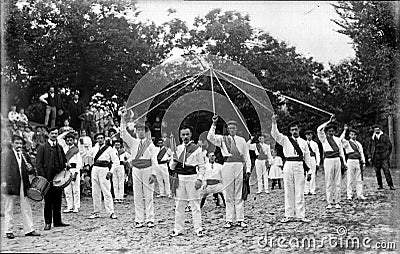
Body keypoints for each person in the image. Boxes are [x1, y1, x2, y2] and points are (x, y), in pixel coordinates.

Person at [207, 116, 251, 228]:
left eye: (233, 128)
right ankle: (229, 219)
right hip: (227, 166)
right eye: (229, 128)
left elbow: (247, 156)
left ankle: (240, 219)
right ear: (227, 129)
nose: (231, 130)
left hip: (239, 166)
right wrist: (214, 124)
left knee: (239, 193)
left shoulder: (241, 140)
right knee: (228, 192)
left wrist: (248, 170)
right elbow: (210, 137)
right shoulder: (222, 139)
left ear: (236, 129)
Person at [271, 114, 312, 223]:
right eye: (292, 130)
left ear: (299, 130)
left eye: (296, 129)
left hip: (299, 165)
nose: (294, 131)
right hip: (288, 164)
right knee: (289, 190)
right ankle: (288, 215)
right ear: (290, 131)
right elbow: (275, 134)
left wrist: (310, 171)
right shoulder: (285, 140)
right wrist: (274, 122)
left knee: (300, 190)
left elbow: (307, 157)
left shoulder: (303, 142)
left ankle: (300, 215)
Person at [1, 135, 41, 239]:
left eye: (20, 143)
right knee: (9, 207)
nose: (19, 145)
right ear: (13, 144)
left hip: (23, 183)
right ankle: (8, 230)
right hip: (11, 182)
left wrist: (30, 168)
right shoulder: (6, 155)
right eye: (17, 143)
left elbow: (31, 171)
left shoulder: (25, 155)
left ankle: (29, 229)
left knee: (26, 206)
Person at [170, 125, 206, 237]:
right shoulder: (177, 149)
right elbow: (171, 167)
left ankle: (198, 228)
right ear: (180, 136)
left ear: (191, 135)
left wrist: (199, 179)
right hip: (180, 178)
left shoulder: (197, 149)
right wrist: (174, 162)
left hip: (192, 177)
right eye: (183, 135)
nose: (185, 136)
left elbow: (202, 166)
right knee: (179, 205)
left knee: (195, 204)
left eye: (187, 134)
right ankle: (178, 228)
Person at [121, 119, 158, 228]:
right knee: (137, 195)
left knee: (148, 195)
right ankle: (139, 219)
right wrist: (123, 118)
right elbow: (123, 133)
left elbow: (154, 160)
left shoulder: (150, 145)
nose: (140, 132)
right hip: (136, 169)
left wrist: (154, 173)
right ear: (136, 131)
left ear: (146, 132)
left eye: (142, 130)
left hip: (148, 168)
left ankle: (150, 219)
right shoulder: (133, 142)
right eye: (138, 130)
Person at [36, 127, 69, 230]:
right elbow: (39, 165)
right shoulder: (42, 147)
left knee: (58, 200)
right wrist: (43, 178)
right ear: (48, 134)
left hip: (58, 179)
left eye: (56, 133)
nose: (54, 135)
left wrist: (65, 167)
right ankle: (48, 222)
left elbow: (64, 160)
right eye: (52, 133)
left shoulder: (59, 147)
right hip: (47, 178)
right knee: (48, 201)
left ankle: (58, 221)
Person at [317, 116, 346, 209]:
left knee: (337, 182)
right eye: (329, 131)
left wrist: (344, 163)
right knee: (329, 181)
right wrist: (329, 121)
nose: (331, 133)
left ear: (334, 132)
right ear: (326, 132)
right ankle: (329, 202)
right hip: (328, 160)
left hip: (337, 160)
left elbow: (341, 152)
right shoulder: (324, 139)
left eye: (332, 131)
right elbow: (319, 129)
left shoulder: (337, 140)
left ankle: (337, 201)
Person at [88, 132, 119, 219]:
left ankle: (111, 212)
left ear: (104, 139)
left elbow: (116, 161)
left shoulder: (109, 149)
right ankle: (96, 211)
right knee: (95, 191)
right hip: (95, 169)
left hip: (104, 169)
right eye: (98, 138)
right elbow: (86, 155)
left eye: (101, 138)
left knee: (106, 191)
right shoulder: (94, 149)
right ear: (96, 140)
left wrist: (111, 171)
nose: (100, 140)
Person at [57, 131, 83, 213]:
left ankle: (76, 206)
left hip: (74, 169)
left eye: (70, 140)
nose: (69, 142)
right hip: (66, 170)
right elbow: (58, 138)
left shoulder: (76, 150)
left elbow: (79, 163)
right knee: (67, 190)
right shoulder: (64, 148)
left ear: (73, 140)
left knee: (75, 189)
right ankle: (69, 206)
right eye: (67, 140)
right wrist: (67, 132)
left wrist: (76, 173)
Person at [340, 125, 366, 200]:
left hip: (358, 161)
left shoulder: (358, 144)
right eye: (351, 134)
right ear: (349, 135)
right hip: (350, 161)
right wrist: (344, 130)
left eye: (354, 135)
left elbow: (361, 153)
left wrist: (363, 162)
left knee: (359, 179)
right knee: (350, 178)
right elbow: (341, 139)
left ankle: (360, 194)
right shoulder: (347, 143)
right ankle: (349, 195)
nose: (353, 136)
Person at [367, 124, 395, 190]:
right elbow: (369, 148)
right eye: (375, 129)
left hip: (384, 158)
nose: (377, 130)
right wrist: (369, 156)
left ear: (380, 129)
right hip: (376, 157)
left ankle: (391, 185)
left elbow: (389, 146)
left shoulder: (385, 136)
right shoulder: (372, 138)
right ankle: (380, 185)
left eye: (378, 128)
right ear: (373, 130)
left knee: (386, 171)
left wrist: (386, 155)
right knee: (377, 172)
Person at [304, 130, 321, 195]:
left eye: (310, 135)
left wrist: (318, 163)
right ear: (306, 136)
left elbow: (317, 153)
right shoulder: (304, 143)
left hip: (312, 159)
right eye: (307, 135)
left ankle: (312, 190)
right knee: (306, 174)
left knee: (313, 174)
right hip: (306, 159)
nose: (309, 136)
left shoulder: (315, 144)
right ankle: (306, 190)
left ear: (312, 135)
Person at [112, 139, 129, 203]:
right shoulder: (112, 151)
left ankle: (121, 197)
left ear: (120, 145)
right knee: (115, 182)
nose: (117, 146)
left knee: (121, 182)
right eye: (116, 144)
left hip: (121, 166)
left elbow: (129, 157)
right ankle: (116, 197)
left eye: (118, 145)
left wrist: (125, 161)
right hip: (114, 166)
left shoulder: (123, 151)